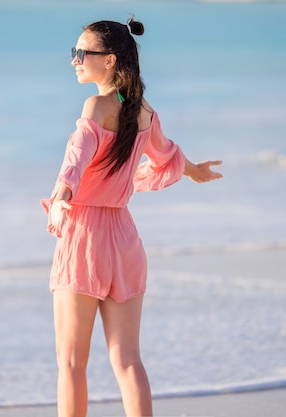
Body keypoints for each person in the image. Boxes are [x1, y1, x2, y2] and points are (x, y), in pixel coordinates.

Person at [40, 17, 223, 417]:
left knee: (71, 363)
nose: (73, 60)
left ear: (108, 61)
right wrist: (194, 171)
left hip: (84, 236)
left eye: (80, 53)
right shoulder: (142, 110)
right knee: (127, 362)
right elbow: (166, 154)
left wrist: (59, 198)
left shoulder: (96, 106)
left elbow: (76, 159)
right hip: (124, 240)